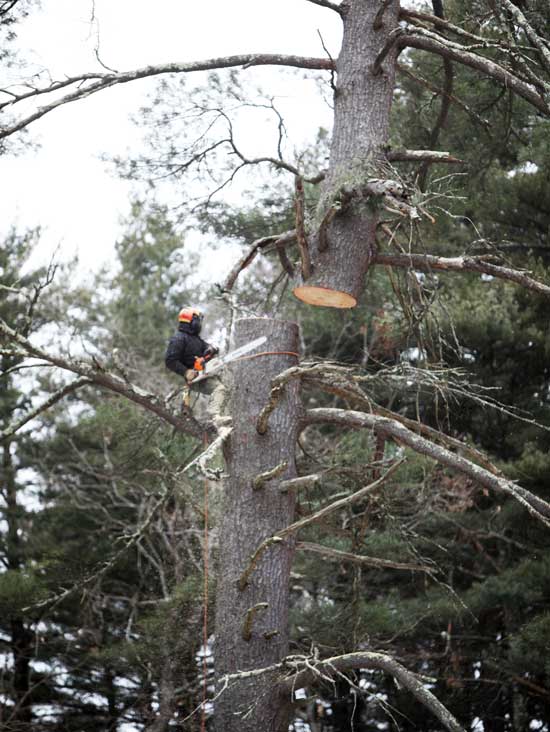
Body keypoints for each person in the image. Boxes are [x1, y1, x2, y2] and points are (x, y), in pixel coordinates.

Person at [165, 307, 219, 383]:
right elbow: (170, 360)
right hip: (196, 379)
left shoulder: (195, 339)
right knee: (220, 388)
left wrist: (210, 348)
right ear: (192, 322)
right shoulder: (178, 338)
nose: (199, 323)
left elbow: (205, 346)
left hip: (206, 373)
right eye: (198, 320)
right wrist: (186, 372)